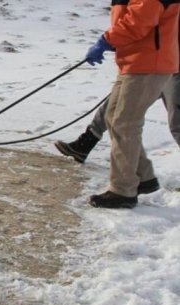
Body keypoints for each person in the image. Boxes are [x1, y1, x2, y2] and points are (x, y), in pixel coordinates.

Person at [71, 0, 180, 209]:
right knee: (113, 117)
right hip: (134, 61)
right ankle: (143, 176)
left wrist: (107, 40)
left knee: (125, 123)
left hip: (149, 63)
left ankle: (123, 191)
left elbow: (139, 21)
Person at [55, 73, 180, 164]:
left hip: (173, 72)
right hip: (154, 68)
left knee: (177, 125)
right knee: (117, 101)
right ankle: (86, 143)